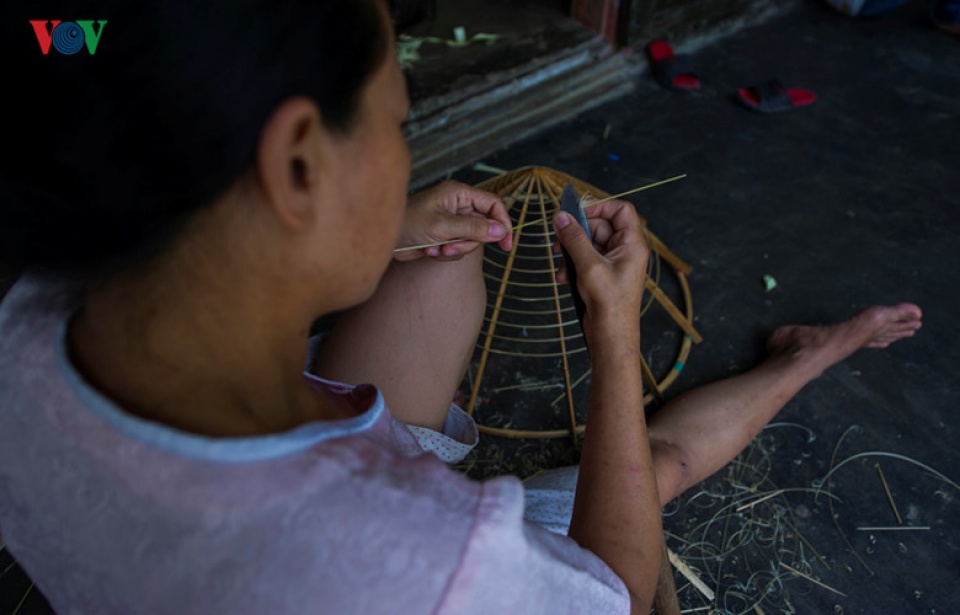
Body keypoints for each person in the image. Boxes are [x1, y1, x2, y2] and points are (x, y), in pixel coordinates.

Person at [0, 1, 923, 613]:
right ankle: (811, 353)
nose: (409, 149)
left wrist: (376, 231)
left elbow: (76, 34)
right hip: (332, 552)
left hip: (167, 525)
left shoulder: (24, 318)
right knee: (658, 465)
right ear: (295, 167)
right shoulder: (431, 562)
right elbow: (624, 593)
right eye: (401, 122)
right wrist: (611, 335)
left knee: (442, 267)